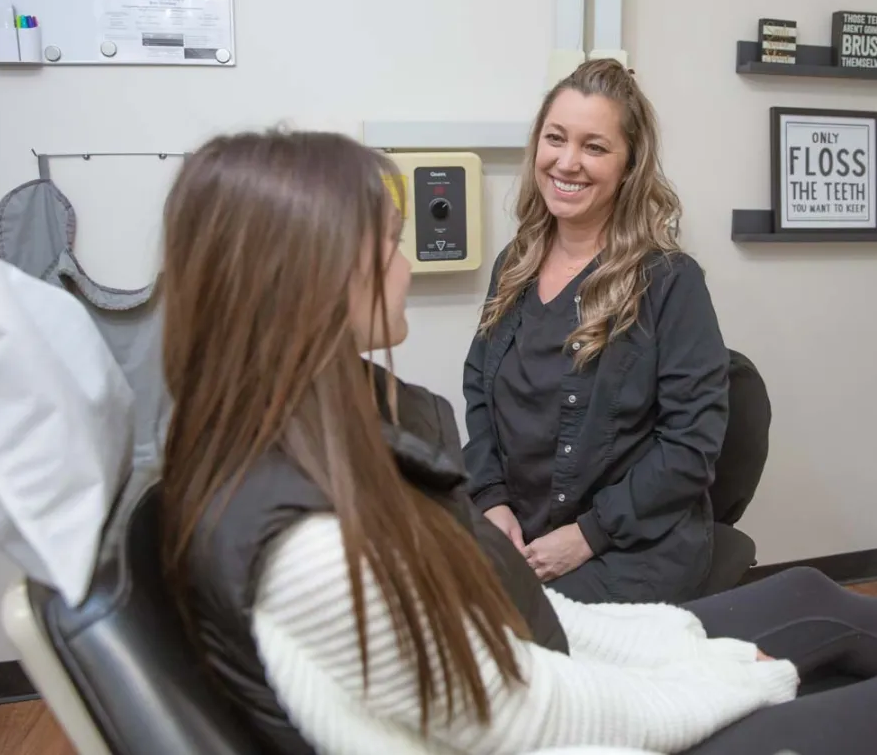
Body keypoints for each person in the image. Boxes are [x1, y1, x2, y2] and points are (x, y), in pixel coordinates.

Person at [157, 127, 877, 755]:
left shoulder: (309, 447)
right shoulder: (315, 549)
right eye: (390, 243)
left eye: (595, 145)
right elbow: (531, 712)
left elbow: (515, 628)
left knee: (812, 595)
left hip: (566, 621)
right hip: (563, 712)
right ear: (311, 274)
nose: (407, 265)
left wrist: (689, 652)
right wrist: (731, 680)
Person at [464, 58, 727, 605]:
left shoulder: (669, 283)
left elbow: (689, 448)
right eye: (555, 138)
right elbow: (479, 396)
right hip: (524, 533)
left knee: (508, 640)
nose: (568, 162)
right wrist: (491, 500)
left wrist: (587, 535)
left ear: (629, 165)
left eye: (594, 147)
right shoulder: (516, 264)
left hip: (627, 546)